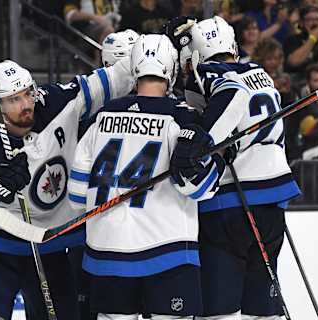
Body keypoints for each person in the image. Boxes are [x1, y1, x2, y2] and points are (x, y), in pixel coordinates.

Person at [0, 57, 134, 320]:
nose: (26, 105)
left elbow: (111, 79)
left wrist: (146, 58)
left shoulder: (54, 102)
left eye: (27, 94)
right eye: (14, 99)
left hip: (50, 246)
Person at [68, 34, 226, 319]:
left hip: (106, 251)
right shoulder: (183, 120)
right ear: (171, 69)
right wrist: (218, 158)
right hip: (167, 251)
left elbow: (78, 196)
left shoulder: (101, 117)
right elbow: (201, 189)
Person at [166, 16, 301, 319]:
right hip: (272, 198)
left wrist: (201, 142)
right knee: (262, 308)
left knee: (220, 308)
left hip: (231, 203)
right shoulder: (260, 72)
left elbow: (231, 95)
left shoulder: (210, 72)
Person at [283, 5, 318, 75]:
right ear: (301, 22)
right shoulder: (292, 40)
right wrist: (312, 38)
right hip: (301, 79)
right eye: (309, 20)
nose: (315, 23)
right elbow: (294, 62)